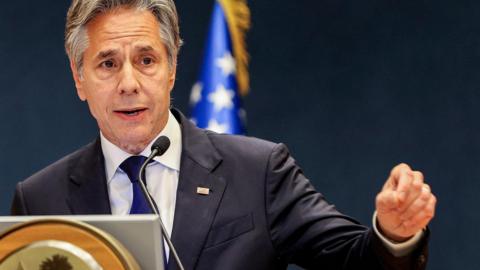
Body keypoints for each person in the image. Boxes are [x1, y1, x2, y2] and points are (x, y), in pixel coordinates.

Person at [10, 0, 436, 269]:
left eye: (146, 60)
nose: (128, 83)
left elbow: (354, 260)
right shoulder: (40, 199)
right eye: (107, 64)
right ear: (78, 78)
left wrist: (393, 234)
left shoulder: (258, 172)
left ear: (172, 68)